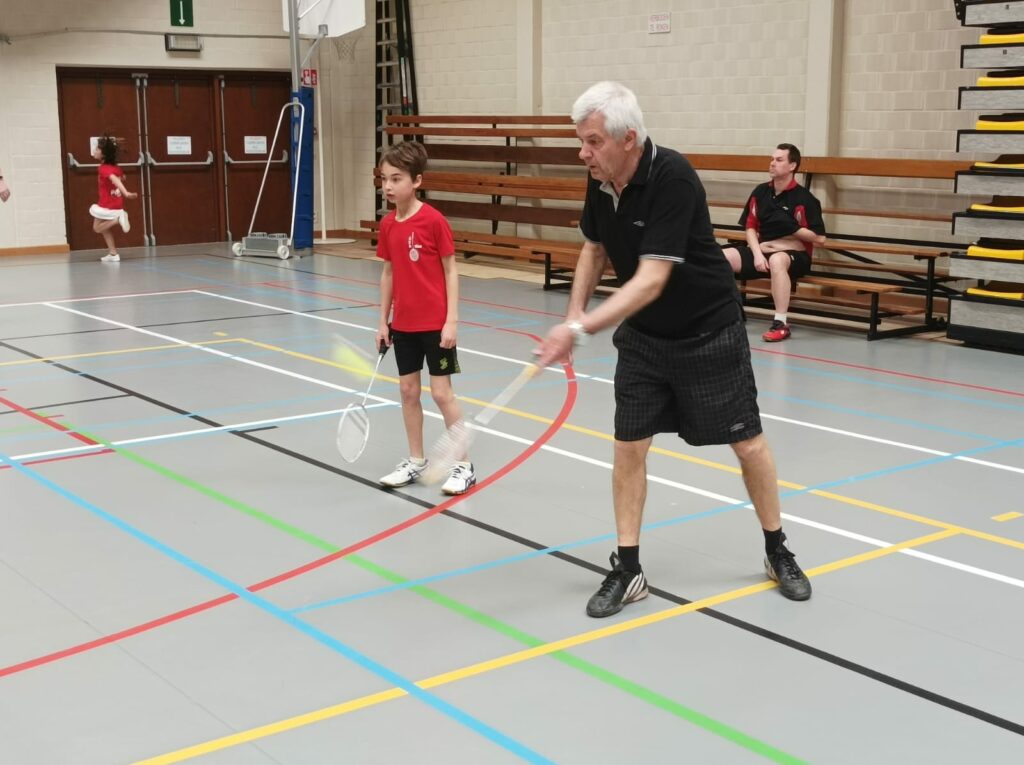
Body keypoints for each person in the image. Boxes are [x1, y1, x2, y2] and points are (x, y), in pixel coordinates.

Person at [535, 82, 811, 618]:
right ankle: (629, 567)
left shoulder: (673, 177)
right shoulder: (601, 177)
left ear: (628, 138)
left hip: (708, 330)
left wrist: (581, 329)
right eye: (581, 141)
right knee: (628, 447)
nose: (582, 152)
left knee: (748, 444)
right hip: (644, 340)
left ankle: (778, 550)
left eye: (592, 141)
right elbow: (593, 249)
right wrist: (571, 315)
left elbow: (651, 278)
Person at [375, 140, 476, 496]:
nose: (388, 186)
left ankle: (463, 465)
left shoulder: (434, 221)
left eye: (396, 178)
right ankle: (416, 460)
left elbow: (451, 270)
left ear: (416, 181)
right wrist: (382, 321)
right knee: (407, 391)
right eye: (384, 178)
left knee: (442, 393)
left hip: (436, 325)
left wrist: (452, 320)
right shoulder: (388, 225)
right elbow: (388, 273)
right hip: (403, 324)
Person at [721, 144, 826, 342]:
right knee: (721, 257)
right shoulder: (760, 192)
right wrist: (758, 255)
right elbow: (750, 227)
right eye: (772, 159)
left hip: (795, 257)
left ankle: (780, 323)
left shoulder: (805, 199)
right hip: (761, 251)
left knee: (778, 260)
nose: (772, 163)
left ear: (792, 165)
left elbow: (820, 239)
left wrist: (794, 229)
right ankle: (730, 311)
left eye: (779, 160)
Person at [89, 135, 137, 263]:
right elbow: (121, 177)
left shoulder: (103, 168)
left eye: (97, 149)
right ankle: (113, 253)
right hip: (115, 203)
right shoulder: (116, 168)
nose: (94, 151)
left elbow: (115, 179)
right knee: (105, 228)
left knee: (97, 228)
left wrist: (126, 193)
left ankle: (117, 219)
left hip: (107, 205)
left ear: (103, 154)